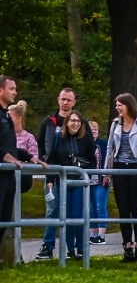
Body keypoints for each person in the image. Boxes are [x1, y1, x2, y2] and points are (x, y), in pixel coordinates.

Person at [106, 93, 137, 262]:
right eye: (116, 105)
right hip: (120, 168)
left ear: (129, 106)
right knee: (123, 209)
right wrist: (107, 172)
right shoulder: (115, 124)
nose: (117, 108)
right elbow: (110, 149)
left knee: (136, 208)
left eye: (120, 105)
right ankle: (127, 246)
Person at [46, 109, 97, 260]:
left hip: (80, 181)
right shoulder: (58, 138)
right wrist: (50, 180)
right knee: (65, 216)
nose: (75, 124)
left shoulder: (87, 139)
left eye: (78, 121)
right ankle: (69, 249)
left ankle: (81, 247)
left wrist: (88, 176)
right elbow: (52, 159)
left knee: (77, 214)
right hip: (62, 181)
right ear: (66, 122)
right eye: (72, 121)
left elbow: (92, 161)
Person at [34, 87, 74, 260]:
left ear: (74, 102)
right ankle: (48, 246)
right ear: (58, 100)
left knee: (73, 210)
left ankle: (73, 248)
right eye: (63, 99)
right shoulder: (49, 121)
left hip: (72, 173)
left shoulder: (77, 121)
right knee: (52, 208)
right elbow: (40, 143)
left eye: (69, 100)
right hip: (52, 171)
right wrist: (44, 159)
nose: (65, 103)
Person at [0, 77, 27, 260]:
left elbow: (10, 146)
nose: (15, 92)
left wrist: (29, 156)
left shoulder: (5, 116)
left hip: (8, 175)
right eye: (12, 89)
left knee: (4, 218)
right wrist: (5, 156)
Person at [88, 119, 109, 246]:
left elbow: (108, 159)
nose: (94, 132)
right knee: (91, 208)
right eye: (91, 130)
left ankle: (101, 235)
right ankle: (93, 235)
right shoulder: (85, 144)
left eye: (96, 129)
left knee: (100, 206)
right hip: (88, 180)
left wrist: (107, 175)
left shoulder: (103, 144)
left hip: (101, 180)